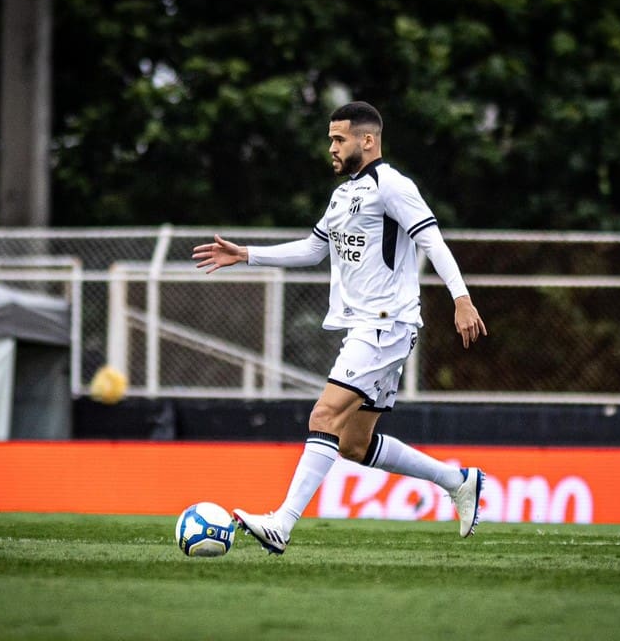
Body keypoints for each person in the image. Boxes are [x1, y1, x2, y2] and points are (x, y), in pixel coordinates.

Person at [192, 101, 489, 554]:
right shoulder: (342, 194)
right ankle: (458, 480)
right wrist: (247, 254)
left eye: (339, 139)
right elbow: (314, 250)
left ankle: (282, 524)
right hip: (367, 330)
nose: (331, 147)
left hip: (385, 327)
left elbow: (432, 239)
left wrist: (461, 298)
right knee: (352, 442)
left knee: (323, 417)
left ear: (367, 140)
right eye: (331, 139)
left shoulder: (391, 185)